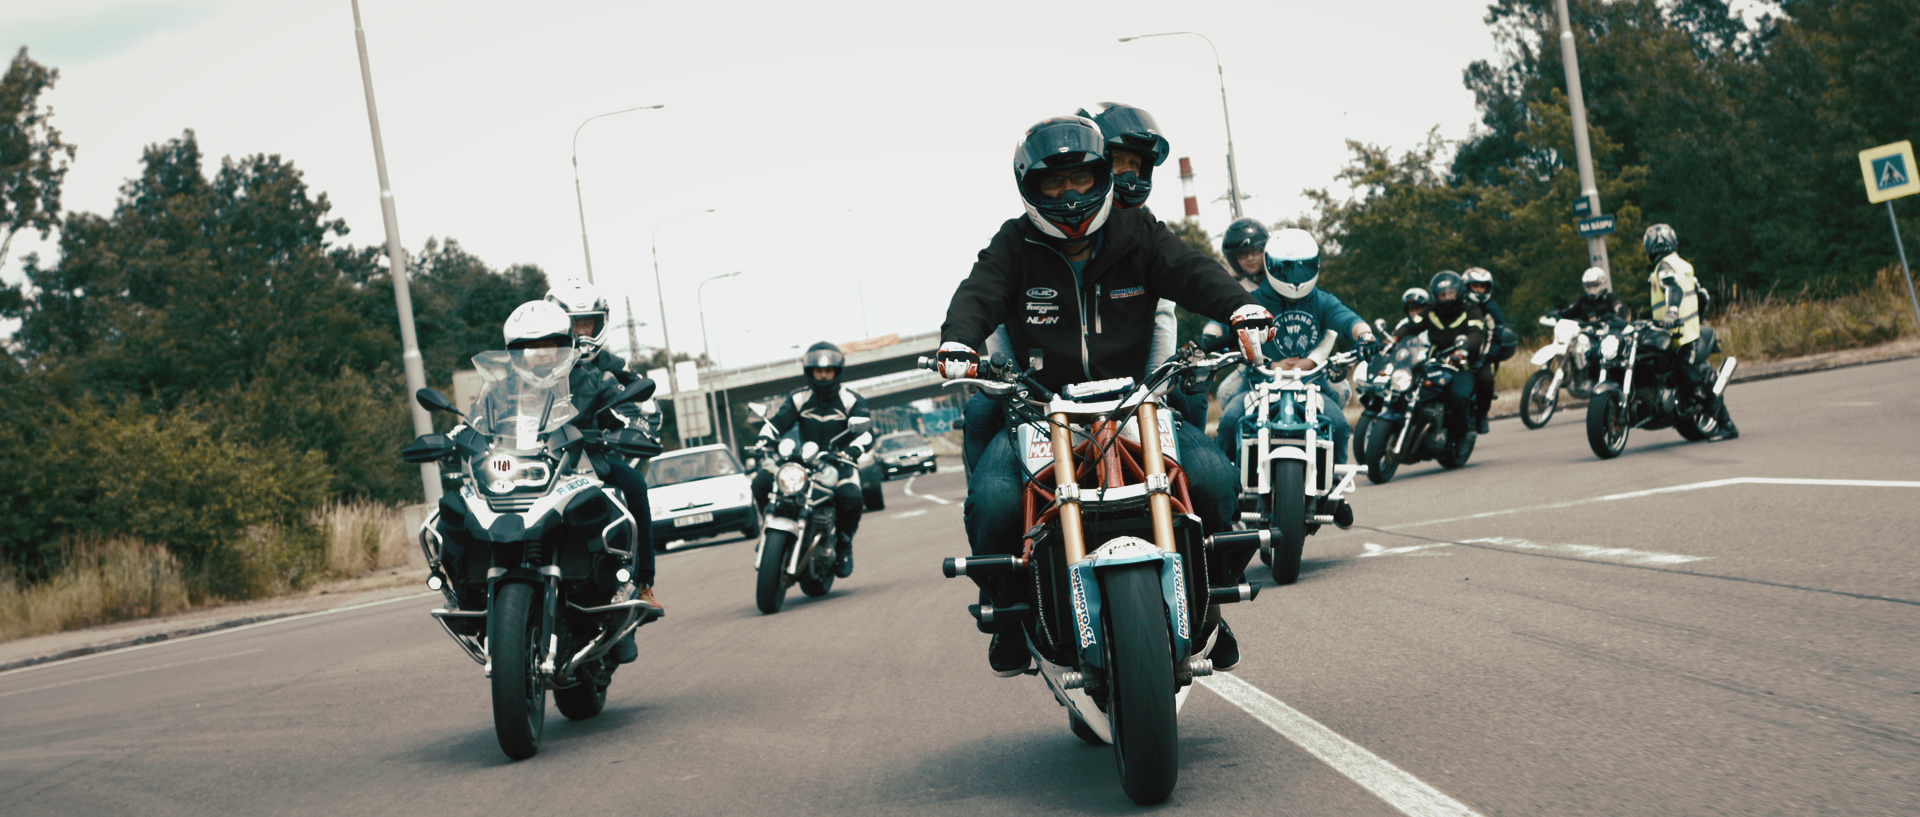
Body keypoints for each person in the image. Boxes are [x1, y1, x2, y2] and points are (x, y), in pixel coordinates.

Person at [935, 114, 1271, 676]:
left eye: (1081, 179)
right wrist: (958, 340)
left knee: (1214, 481)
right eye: (1053, 183)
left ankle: (1208, 606)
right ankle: (1011, 616)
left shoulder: (1138, 231)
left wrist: (1240, 307)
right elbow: (979, 293)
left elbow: (1192, 272)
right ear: (1029, 188)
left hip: (1133, 404)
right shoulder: (1014, 243)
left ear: (1101, 176)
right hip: (1043, 410)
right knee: (993, 504)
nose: (1070, 195)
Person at [449, 301, 660, 662]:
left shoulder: (594, 378)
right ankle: (464, 593)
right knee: (456, 504)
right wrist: (456, 435)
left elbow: (624, 411)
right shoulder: (498, 388)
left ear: (567, 344)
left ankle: (634, 586)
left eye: (550, 345)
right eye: (530, 348)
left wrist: (627, 427)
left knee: (631, 487)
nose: (542, 354)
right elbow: (477, 422)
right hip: (518, 470)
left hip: (582, 466)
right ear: (515, 352)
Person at [1212, 228, 1379, 467]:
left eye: (1303, 267)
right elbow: (1223, 321)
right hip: (1259, 386)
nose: (1295, 277)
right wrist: (1212, 338)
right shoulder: (1253, 300)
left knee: (1339, 426)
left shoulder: (1322, 300)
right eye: (1286, 268)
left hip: (1312, 387)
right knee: (1229, 422)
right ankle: (1225, 482)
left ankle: (1333, 485)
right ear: (1270, 265)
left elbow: (1350, 321)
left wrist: (1365, 336)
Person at [749, 341, 873, 578]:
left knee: (851, 497)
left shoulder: (851, 400)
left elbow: (866, 432)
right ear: (810, 372)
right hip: (803, 462)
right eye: (818, 371)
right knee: (762, 483)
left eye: (828, 371)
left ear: (837, 372)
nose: (823, 376)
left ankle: (844, 543)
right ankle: (769, 526)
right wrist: (764, 438)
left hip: (839, 463)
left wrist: (854, 449)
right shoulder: (799, 398)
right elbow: (777, 423)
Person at [1644, 224, 1738, 439]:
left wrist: (1672, 313)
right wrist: (1695, 320)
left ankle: (1726, 424)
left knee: (1691, 379)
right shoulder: (1683, 265)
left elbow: (1673, 288)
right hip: (1681, 334)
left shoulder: (1664, 267)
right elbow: (1702, 296)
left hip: (1682, 338)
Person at [1391, 271, 1488, 445]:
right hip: (1435, 362)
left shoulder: (1471, 310)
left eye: (1451, 293)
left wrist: (1462, 350)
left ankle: (1461, 436)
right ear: (1436, 295)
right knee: (1412, 390)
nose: (1447, 298)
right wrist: (1395, 338)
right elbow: (1413, 326)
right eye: (1442, 295)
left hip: (1462, 364)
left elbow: (1476, 333)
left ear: (1459, 292)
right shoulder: (1430, 311)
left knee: (1458, 396)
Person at [1463, 267, 1514, 434]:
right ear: (1466, 286)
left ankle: (1481, 415)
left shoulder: (1491, 308)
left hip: (1480, 356)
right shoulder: (1459, 305)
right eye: (1475, 286)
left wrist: (1485, 358)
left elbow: (1496, 336)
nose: (1479, 290)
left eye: (1482, 286)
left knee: (1486, 381)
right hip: (1455, 353)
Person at [1549, 267, 1628, 324]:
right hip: (1588, 334)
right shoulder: (1584, 300)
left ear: (1603, 283)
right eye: (1588, 285)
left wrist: (1613, 318)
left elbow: (1620, 311)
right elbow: (1569, 312)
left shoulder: (1610, 298)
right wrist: (1556, 314)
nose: (1591, 288)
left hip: (1608, 334)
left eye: (1594, 284)